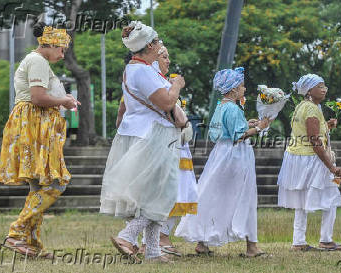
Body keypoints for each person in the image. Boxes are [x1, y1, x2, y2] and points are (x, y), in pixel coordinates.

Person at [100, 21, 185, 263]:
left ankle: (153, 251)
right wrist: (177, 84)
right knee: (160, 192)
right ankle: (128, 236)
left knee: (153, 192)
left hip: (142, 132)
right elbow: (166, 102)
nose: (160, 46)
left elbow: (124, 107)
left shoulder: (134, 69)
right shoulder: (143, 71)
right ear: (149, 46)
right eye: (157, 42)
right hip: (154, 135)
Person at [0, 22, 78, 258]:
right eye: (61, 49)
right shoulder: (38, 61)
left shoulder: (37, 62)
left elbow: (41, 96)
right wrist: (63, 101)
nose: (62, 55)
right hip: (34, 124)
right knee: (58, 182)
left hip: (34, 125)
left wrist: (64, 99)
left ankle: (32, 245)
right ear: (50, 44)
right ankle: (16, 234)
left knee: (38, 188)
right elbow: (38, 97)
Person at [175, 67, 271, 257]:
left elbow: (223, 130)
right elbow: (238, 136)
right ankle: (251, 246)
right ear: (233, 89)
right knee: (244, 196)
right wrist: (259, 127)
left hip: (220, 154)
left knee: (213, 194)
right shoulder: (233, 108)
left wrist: (248, 124)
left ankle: (202, 242)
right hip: (236, 156)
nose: (244, 90)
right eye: (242, 86)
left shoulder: (221, 106)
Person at [137, 46, 198, 257]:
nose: (168, 61)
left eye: (169, 56)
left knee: (179, 193)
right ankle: (151, 240)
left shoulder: (164, 83)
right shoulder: (150, 85)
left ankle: (161, 237)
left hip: (178, 147)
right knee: (160, 194)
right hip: (160, 145)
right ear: (153, 60)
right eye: (163, 57)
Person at [276, 74, 341, 251]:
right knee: (331, 196)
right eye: (320, 86)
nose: (324, 89)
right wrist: (331, 166)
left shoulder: (303, 106)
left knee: (301, 201)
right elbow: (314, 141)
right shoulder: (313, 109)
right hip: (311, 159)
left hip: (298, 158)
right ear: (309, 90)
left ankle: (298, 241)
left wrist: (327, 126)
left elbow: (307, 132)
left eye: (325, 86)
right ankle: (326, 239)